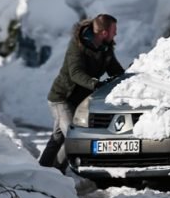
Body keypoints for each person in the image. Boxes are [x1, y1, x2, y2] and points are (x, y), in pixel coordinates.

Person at [38, 14, 124, 172]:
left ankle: (41, 171)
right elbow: (75, 73)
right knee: (73, 136)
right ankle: (56, 173)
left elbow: (115, 70)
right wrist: (95, 84)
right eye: (114, 30)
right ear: (104, 32)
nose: (116, 34)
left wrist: (128, 78)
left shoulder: (106, 48)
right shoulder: (78, 45)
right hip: (62, 98)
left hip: (79, 101)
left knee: (58, 138)